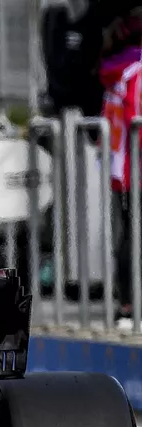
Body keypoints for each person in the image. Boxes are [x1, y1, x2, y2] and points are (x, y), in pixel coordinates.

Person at [100, 24, 142, 329]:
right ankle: (129, 306)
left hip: (122, 169)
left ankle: (127, 304)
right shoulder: (135, 74)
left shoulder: (122, 72)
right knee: (133, 236)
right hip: (135, 168)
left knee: (129, 234)